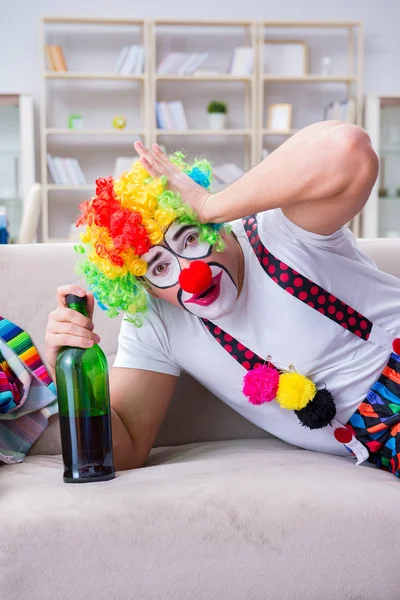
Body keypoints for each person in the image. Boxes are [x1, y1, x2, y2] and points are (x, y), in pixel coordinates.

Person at [45, 120, 400, 478]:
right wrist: (67, 364)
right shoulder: (156, 322)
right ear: (144, 285)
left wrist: (210, 204)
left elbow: (348, 148)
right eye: (159, 268)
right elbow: (124, 450)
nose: (192, 273)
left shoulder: (281, 233)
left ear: (215, 225)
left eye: (190, 239)